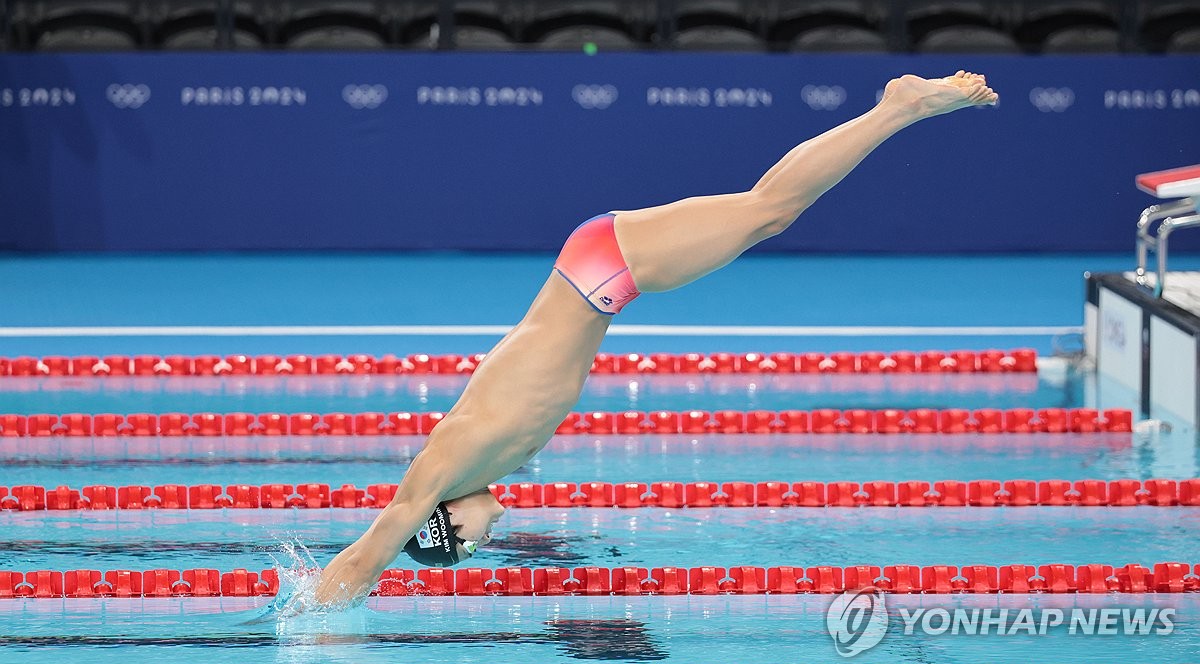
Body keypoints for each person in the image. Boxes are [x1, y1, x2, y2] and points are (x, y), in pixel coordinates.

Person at [314, 71, 998, 605]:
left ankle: (898, 106)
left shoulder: (446, 468)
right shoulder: (482, 471)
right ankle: (895, 109)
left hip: (602, 266)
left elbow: (371, 548)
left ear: (451, 528)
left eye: (467, 548)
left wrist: (319, 619)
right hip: (601, 277)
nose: (484, 543)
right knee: (768, 215)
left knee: (769, 209)